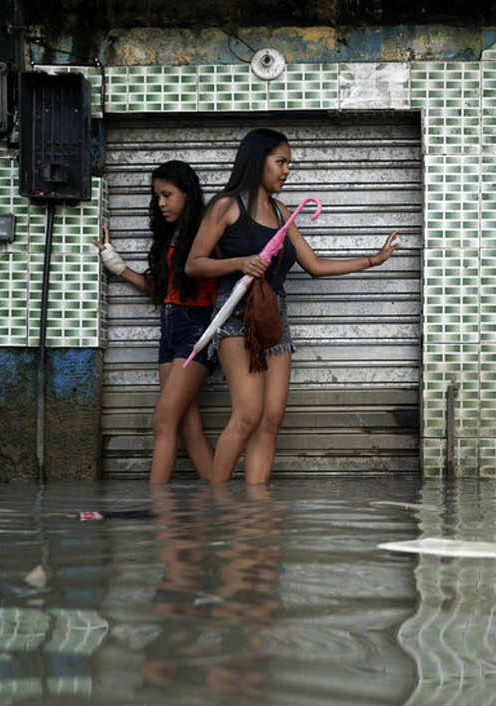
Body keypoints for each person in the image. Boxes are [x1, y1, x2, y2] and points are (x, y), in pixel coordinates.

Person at [186, 128, 399, 485]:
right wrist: (239, 263)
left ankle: (256, 509)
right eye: (281, 162)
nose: (287, 171)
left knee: (271, 417)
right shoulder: (226, 206)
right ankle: (215, 503)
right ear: (258, 161)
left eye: (289, 164)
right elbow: (194, 264)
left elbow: (313, 266)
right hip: (237, 317)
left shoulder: (281, 210)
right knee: (248, 414)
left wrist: (372, 260)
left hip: (275, 317)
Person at [95, 160, 219, 483]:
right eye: (157, 197)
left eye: (167, 195)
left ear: (187, 194)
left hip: (196, 329)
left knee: (163, 421)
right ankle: (221, 498)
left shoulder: (207, 233)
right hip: (169, 328)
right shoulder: (170, 234)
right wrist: (115, 262)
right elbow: (161, 289)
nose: (160, 203)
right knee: (186, 422)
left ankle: (157, 508)